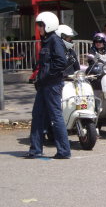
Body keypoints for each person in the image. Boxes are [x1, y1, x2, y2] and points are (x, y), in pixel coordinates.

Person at [25, 11, 71, 159]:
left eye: (41, 25)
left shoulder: (54, 40)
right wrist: (38, 76)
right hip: (44, 85)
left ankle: (64, 151)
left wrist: (46, 75)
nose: (39, 28)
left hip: (52, 85)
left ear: (48, 25)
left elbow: (61, 62)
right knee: (37, 115)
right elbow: (45, 63)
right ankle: (35, 149)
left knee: (55, 116)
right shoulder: (47, 40)